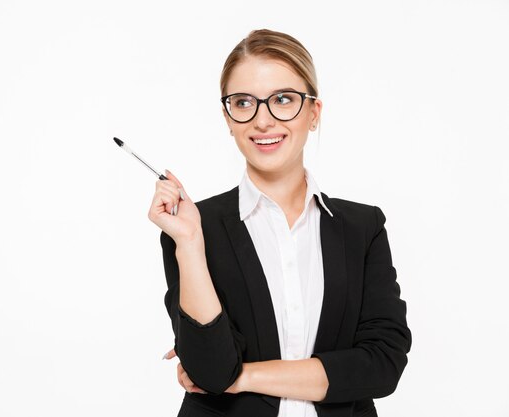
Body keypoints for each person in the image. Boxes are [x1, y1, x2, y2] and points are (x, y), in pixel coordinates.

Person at [148, 29, 412, 417]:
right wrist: (189, 241)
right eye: (243, 103)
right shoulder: (191, 228)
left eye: (283, 99)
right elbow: (210, 369)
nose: (263, 120)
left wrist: (244, 376)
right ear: (228, 118)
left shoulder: (362, 228)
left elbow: (382, 365)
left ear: (313, 113)